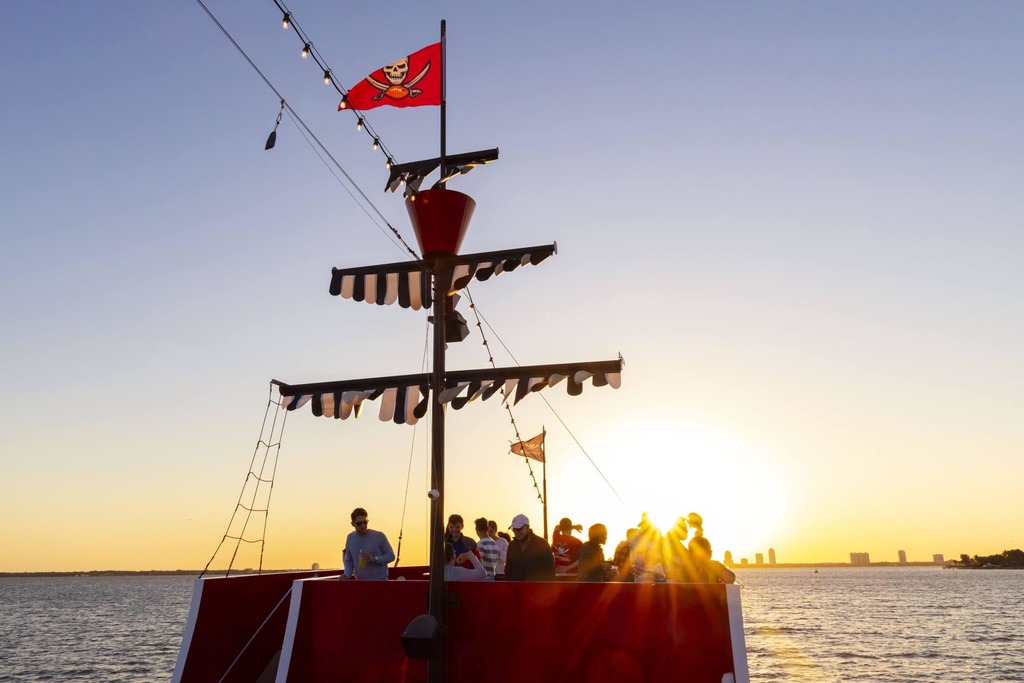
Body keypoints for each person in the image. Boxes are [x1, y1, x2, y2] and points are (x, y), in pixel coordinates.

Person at [342, 507, 395, 580]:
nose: (363, 525)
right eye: (359, 523)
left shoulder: (379, 536)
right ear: (353, 524)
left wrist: (375, 559)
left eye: (365, 522)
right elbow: (349, 560)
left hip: (380, 582)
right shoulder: (350, 538)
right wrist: (346, 575)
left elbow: (391, 556)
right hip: (360, 583)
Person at [504, 513, 555, 581]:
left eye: (519, 529)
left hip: (537, 586)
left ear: (528, 527)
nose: (516, 532)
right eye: (514, 529)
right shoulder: (512, 546)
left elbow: (550, 571)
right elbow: (508, 569)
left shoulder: (542, 544)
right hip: (516, 586)